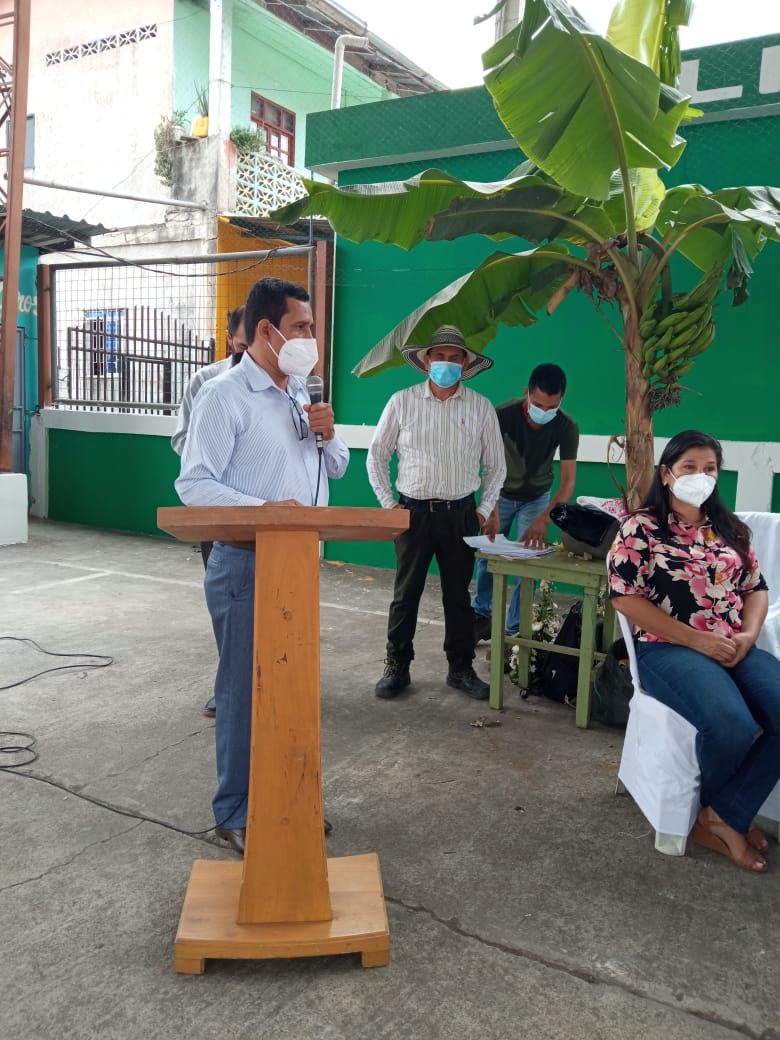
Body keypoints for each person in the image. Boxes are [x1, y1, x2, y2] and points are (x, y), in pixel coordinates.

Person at [176, 277, 349, 855]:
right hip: (247, 564)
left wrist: (328, 432)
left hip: (297, 562)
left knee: (293, 686)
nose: (311, 338)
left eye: (311, 327)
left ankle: (289, 799)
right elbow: (194, 484)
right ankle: (235, 812)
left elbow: (337, 466)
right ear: (268, 330)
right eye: (302, 327)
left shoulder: (301, 390)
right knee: (244, 690)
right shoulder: (223, 396)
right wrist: (266, 511)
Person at [608, 429, 780, 873]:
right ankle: (726, 819)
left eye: (710, 468)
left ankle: (722, 815)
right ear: (667, 474)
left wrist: (748, 635)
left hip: (732, 643)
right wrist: (696, 639)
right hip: (668, 649)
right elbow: (625, 598)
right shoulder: (641, 527)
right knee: (731, 726)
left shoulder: (730, 528)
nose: (700, 476)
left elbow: (756, 589)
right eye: (689, 467)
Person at [367, 325, 506, 701]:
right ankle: (396, 666)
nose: (447, 363)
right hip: (413, 513)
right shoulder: (402, 402)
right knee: (405, 593)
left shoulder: (480, 407)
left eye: (454, 358)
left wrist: (482, 511)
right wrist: (388, 505)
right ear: (426, 361)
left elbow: (496, 466)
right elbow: (376, 456)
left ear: (465, 364)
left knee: (458, 596)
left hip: (462, 514)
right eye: (439, 356)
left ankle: (460, 668)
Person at [172, 305, 249, 718]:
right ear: (230, 338)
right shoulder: (206, 382)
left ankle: (272, 676)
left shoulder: (290, 384)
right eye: (242, 346)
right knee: (228, 604)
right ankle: (231, 684)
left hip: (275, 516)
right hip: (219, 509)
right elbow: (182, 439)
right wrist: (217, 449)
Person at [472, 363, 578, 641]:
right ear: (526, 393)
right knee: (488, 554)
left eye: (551, 407)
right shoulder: (502, 415)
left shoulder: (567, 426)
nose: (543, 412)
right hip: (501, 492)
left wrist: (544, 518)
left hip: (537, 497)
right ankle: (481, 615)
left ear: (561, 400)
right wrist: (490, 510)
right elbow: (487, 465)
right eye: (538, 404)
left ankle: (515, 629)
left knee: (526, 562)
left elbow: (568, 481)